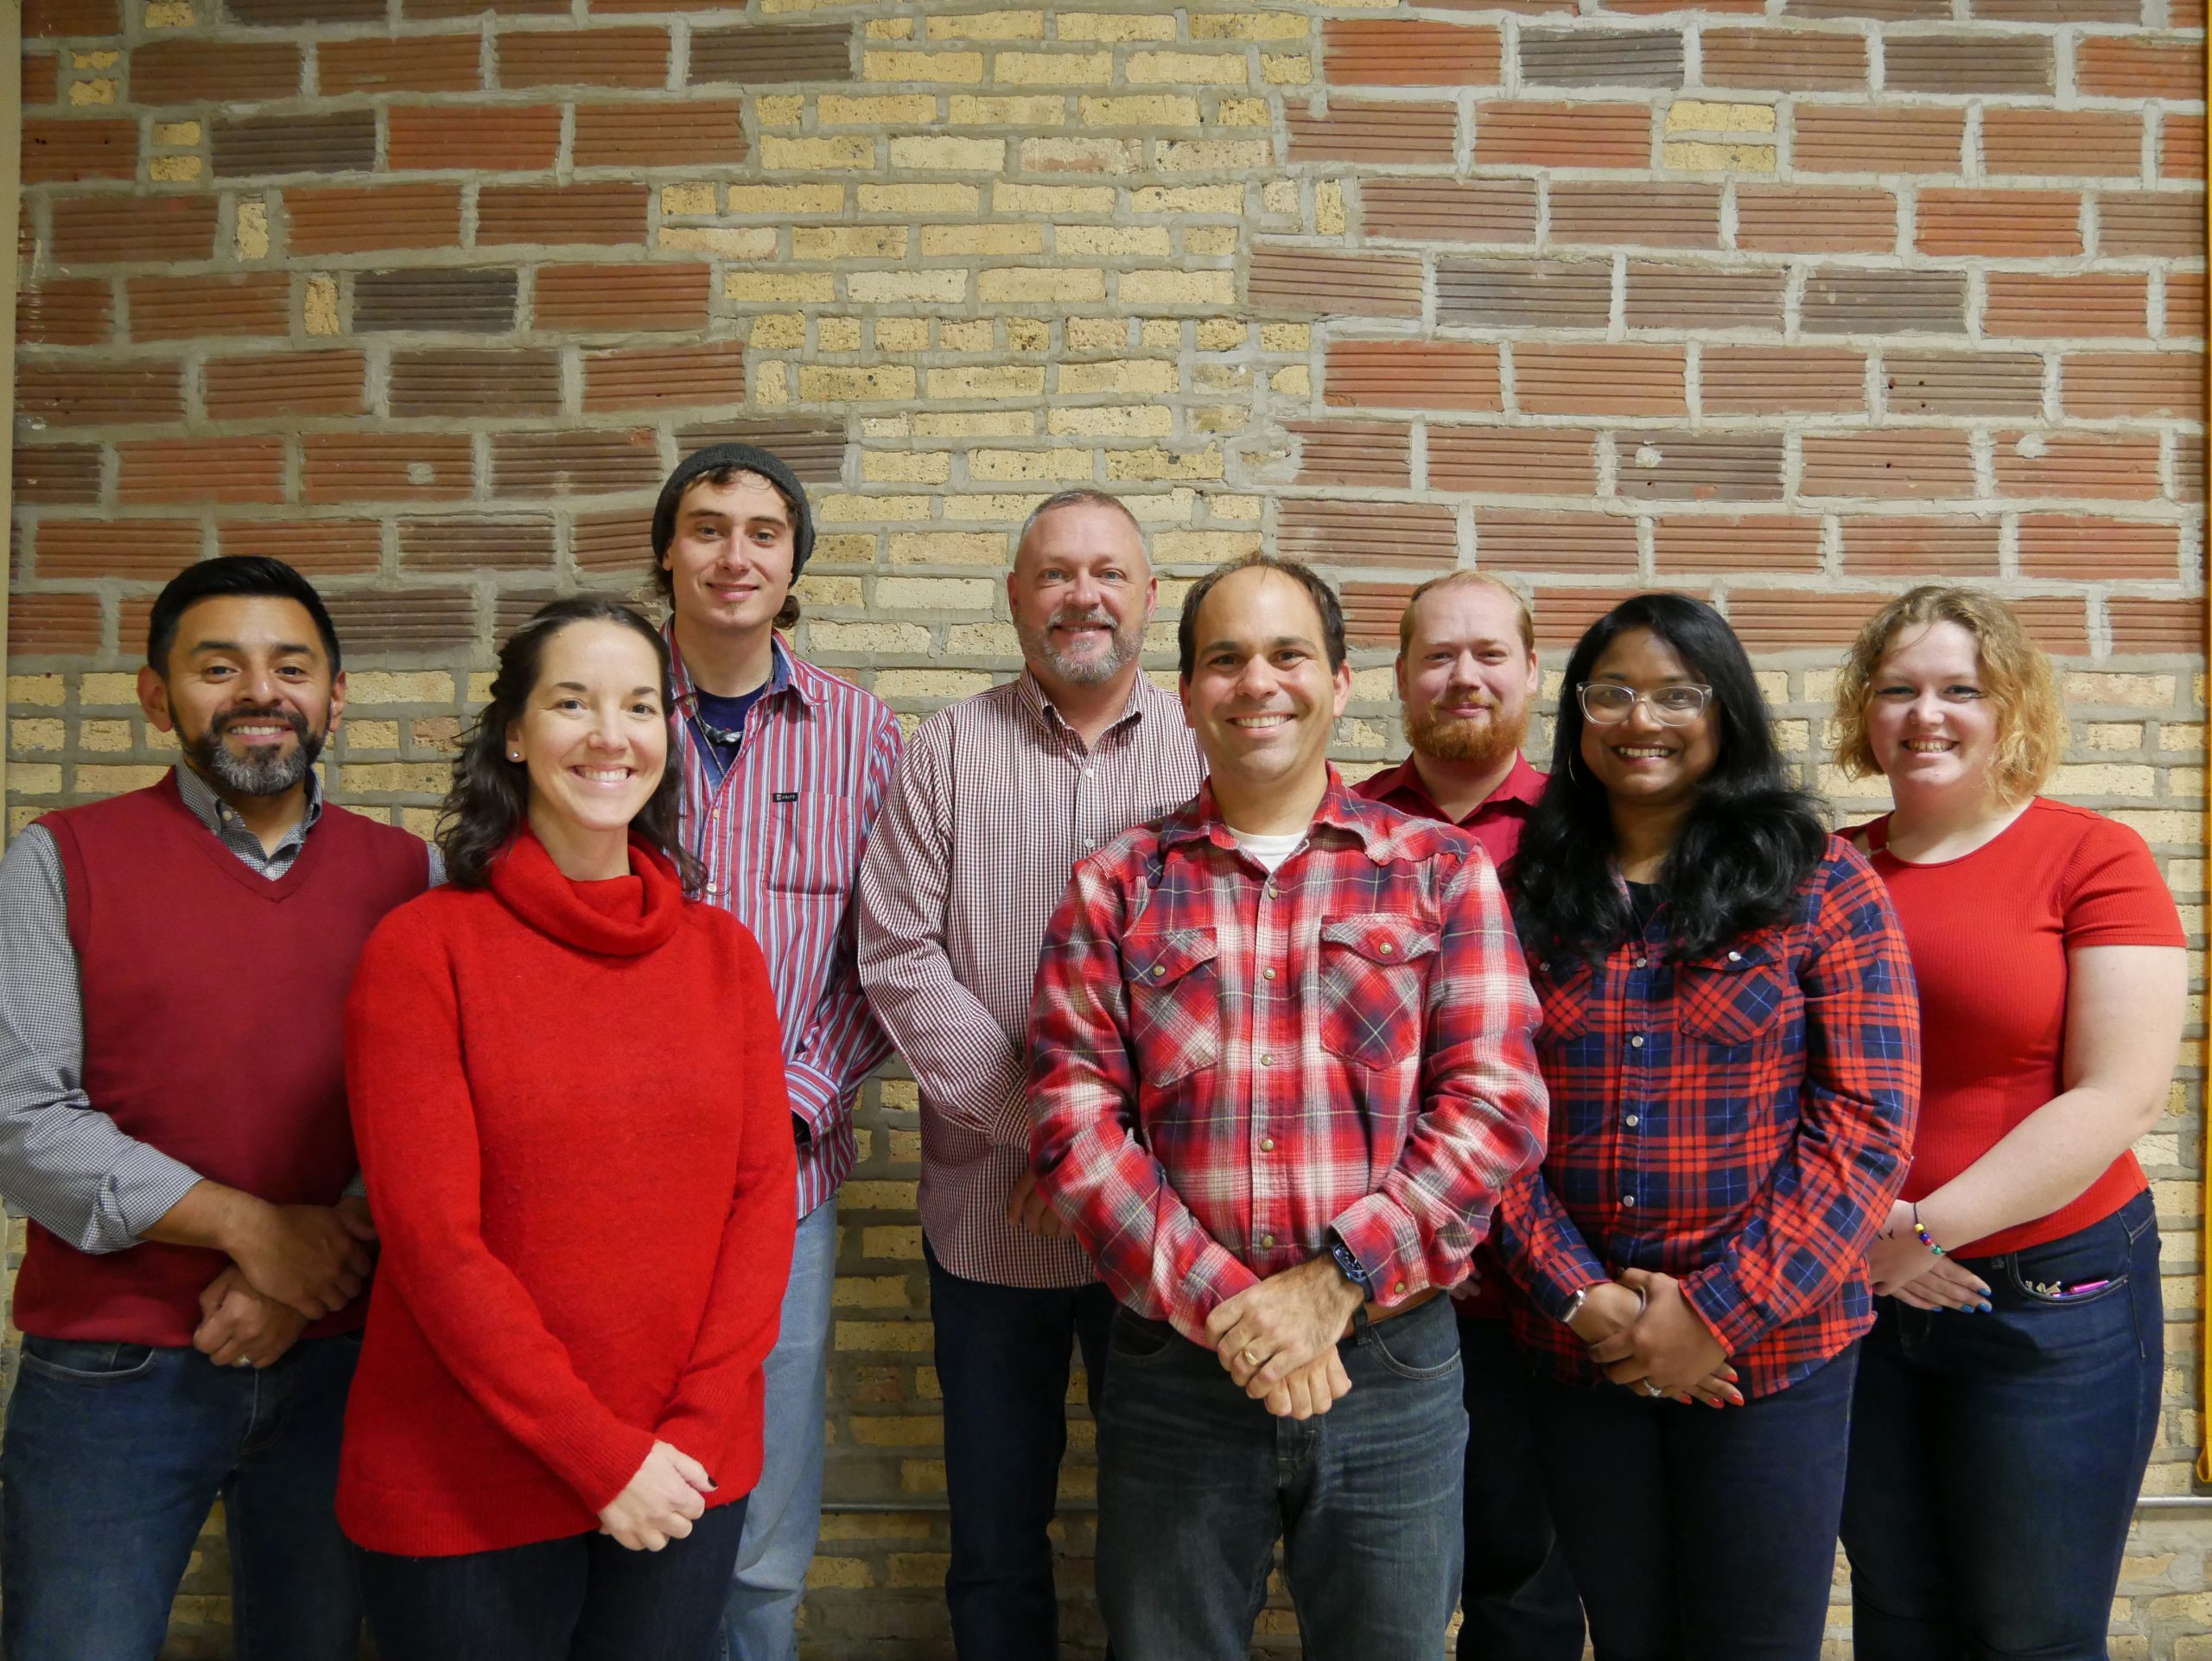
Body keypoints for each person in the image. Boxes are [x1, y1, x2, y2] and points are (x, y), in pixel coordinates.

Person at [1029, 552, 1549, 1661]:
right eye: (1225, 659)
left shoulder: (1439, 871)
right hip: (1176, 1369)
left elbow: (1494, 1107)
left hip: (1390, 1363)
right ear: (1186, 693)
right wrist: (1236, 1309)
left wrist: (1331, 1283)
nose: (1256, 681)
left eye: (1287, 654)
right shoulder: (1116, 883)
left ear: (1341, 681)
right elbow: (1074, 1125)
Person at [340, 595, 798, 1661]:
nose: (609, 734)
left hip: (683, 1468)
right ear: (513, 732)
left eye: (638, 705)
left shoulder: (724, 954)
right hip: (467, 1476)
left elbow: (760, 1199)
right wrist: (600, 1457)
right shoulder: (423, 950)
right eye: (571, 702)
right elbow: (434, 1243)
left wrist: (689, 1435)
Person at [0, 555, 433, 1661]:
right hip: (111, 1370)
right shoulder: (58, 859)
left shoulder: (414, 877)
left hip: (343, 1358)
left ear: (336, 695)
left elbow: (435, 1109)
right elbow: (23, 1118)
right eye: (217, 666)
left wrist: (308, 1263)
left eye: (291, 665)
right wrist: (252, 1229)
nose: (259, 691)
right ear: (157, 695)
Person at [1493, 591, 1921, 1661]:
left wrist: (1716, 1314)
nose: (1640, 719)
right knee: (1628, 1637)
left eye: (1676, 694)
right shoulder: (1519, 892)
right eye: (1611, 693)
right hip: (1580, 1352)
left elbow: (1865, 1125)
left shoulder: (1819, 879)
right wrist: (1583, 1297)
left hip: (1773, 1358)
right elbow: (1481, 1119)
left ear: (1724, 710)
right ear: (1576, 716)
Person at [856, 488, 1205, 1658]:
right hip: (989, 1219)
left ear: (1149, 595)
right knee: (996, 1534)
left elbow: (1239, 983)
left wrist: (1100, 1161)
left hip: (1162, 1216)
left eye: (1107, 572)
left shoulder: (1208, 746)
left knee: (1162, 1536)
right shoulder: (947, 751)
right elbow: (899, 957)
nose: (1081, 595)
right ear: (1014, 596)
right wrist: (1043, 1135)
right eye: (1055, 573)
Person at [1829, 586, 2184, 1661]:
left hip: (2049, 1302)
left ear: (2010, 705)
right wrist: (1869, 1237)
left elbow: (2119, 1092)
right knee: (1900, 1617)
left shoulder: (2092, 855)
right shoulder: (1825, 869)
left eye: (1959, 688)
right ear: (1864, 709)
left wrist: (1923, 1228)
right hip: (1860, 1294)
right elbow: (1771, 1084)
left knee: (2032, 1632)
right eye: (1897, 688)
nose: (1925, 713)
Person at [647, 442, 902, 1659]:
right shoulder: (604, 709)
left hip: (782, 1182)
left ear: (795, 562)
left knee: (764, 1496)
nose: (734, 554)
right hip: (608, 1180)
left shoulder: (862, 735)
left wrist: (790, 1100)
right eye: (707, 527)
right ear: (666, 552)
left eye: (763, 532)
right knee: (612, 1461)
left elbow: (888, 952)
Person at [1351, 571, 1583, 1661]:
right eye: (1437, 655)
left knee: (1523, 1579)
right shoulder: (1343, 829)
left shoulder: (1588, 832)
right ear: (1399, 677)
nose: (1464, 675)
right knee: (1372, 1591)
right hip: (1379, 1278)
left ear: (1533, 672)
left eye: (1490, 653)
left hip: (1543, 1284)